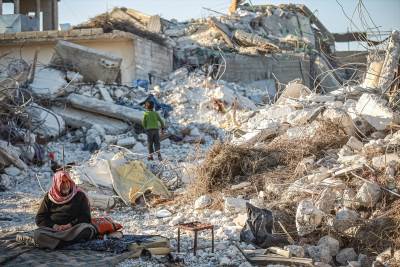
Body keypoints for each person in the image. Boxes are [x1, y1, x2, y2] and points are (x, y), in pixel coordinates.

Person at [32, 170, 96, 249]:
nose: (65, 185)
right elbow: (40, 218)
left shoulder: (79, 195)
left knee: (87, 230)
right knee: (37, 235)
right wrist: (54, 226)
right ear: (56, 184)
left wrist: (69, 225)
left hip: (73, 229)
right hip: (54, 231)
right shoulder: (49, 197)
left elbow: (86, 217)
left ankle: (57, 243)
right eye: (62, 182)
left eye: (67, 181)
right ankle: (68, 242)